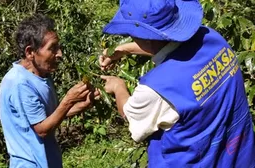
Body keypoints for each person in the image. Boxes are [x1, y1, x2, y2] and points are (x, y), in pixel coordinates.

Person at [99, 0, 255, 167]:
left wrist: (118, 87)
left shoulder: (156, 89)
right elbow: (169, 46)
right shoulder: (212, 38)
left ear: (144, 37)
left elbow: (132, 118)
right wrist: (124, 49)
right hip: (239, 157)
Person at [0, 14, 99, 168]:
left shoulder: (41, 74)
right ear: (30, 52)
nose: (60, 54)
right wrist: (69, 100)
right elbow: (42, 130)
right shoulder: (19, 83)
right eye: (52, 48)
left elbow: (50, 115)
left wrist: (83, 104)